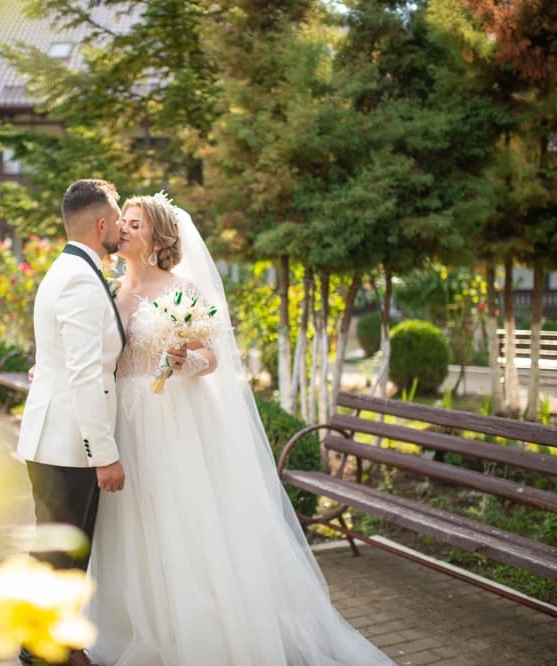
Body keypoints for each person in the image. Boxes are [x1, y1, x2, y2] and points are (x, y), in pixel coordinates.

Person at [86, 193, 393, 665]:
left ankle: (195, 635)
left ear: (158, 239)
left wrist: (186, 361)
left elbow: (212, 358)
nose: (123, 229)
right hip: (122, 423)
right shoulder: (108, 291)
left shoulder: (181, 290)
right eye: (122, 221)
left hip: (172, 424)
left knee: (179, 525)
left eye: (135, 223)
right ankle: (134, 627)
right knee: (129, 528)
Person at [16, 179, 127, 666]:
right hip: (68, 444)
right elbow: (85, 375)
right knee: (59, 553)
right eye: (118, 217)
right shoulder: (81, 279)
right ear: (101, 223)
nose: (121, 226)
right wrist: (105, 455)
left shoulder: (69, 269)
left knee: (65, 551)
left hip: (59, 440)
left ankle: (57, 643)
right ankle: (40, 650)